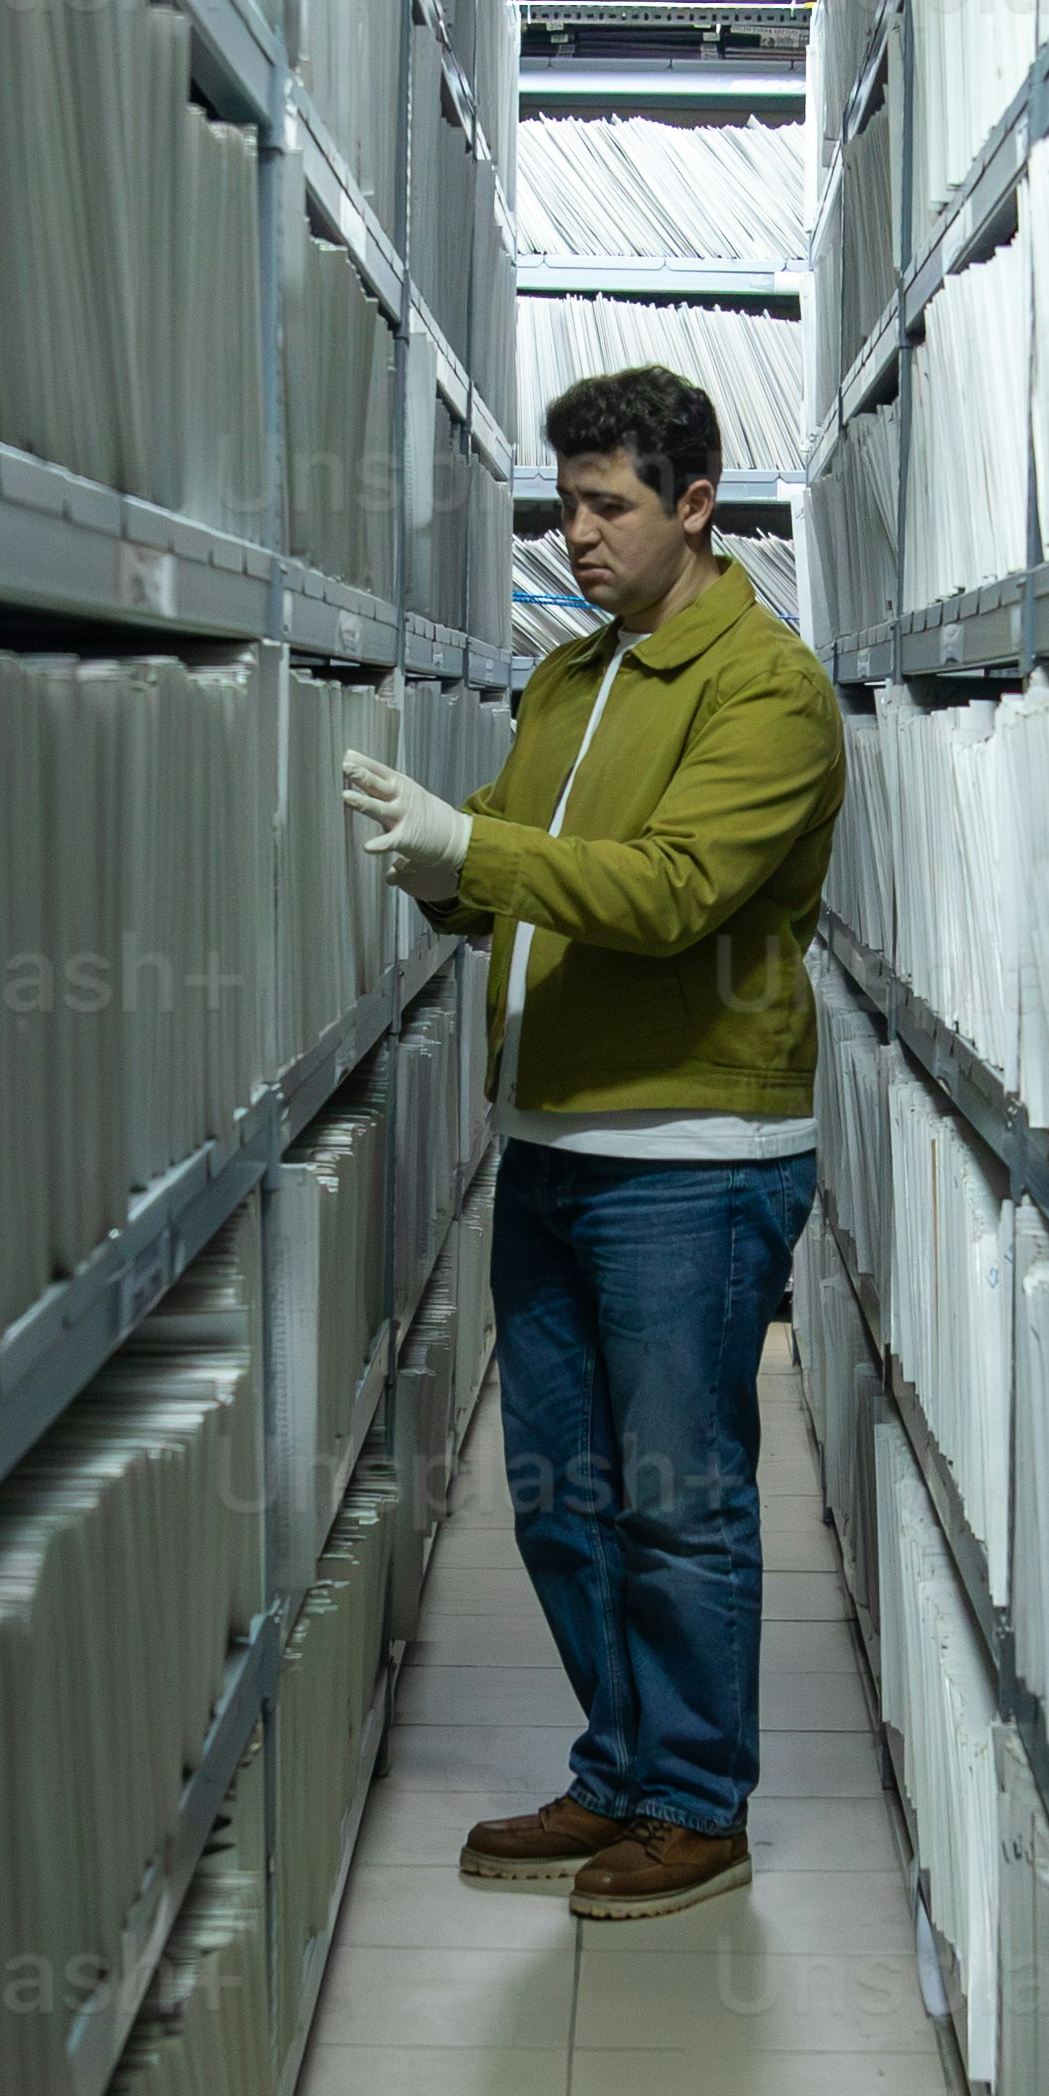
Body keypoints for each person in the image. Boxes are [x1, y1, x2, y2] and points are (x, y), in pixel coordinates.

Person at [339, 365, 844, 1923]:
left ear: (696, 504)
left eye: (608, 504)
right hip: (552, 1141)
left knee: (677, 1496)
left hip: (693, 1156)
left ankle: (698, 1803)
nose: (577, 535)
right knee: (561, 1490)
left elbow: (670, 888)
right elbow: (506, 870)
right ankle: (620, 1769)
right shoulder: (572, 679)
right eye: (564, 505)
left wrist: (474, 843)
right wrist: (435, 860)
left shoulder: (766, 687)